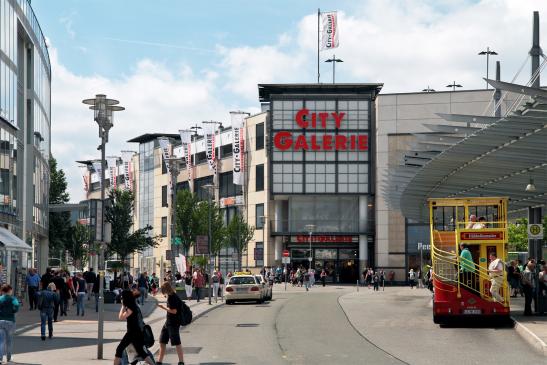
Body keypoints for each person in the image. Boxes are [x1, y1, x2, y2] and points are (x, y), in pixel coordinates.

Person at [113, 290, 155, 365]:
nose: (121, 299)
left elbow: (121, 317)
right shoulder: (134, 305)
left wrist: (122, 306)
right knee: (141, 352)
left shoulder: (131, 308)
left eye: (122, 298)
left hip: (132, 333)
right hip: (137, 332)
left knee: (119, 349)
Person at [157, 282, 185, 365]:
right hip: (168, 322)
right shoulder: (172, 296)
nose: (162, 292)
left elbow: (174, 311)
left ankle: (181, 362)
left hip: (174, 323)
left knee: (177, 342)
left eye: (163, 290)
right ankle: (159, 361)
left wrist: (163, 308)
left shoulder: (172, 297)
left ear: (166, 289)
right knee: (162, 341)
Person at [0, 284, 19, 363]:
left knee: (1, 341)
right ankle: (9, 358)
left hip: (0, 321)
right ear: (9, 290)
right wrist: (13, 311)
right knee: (9, 341)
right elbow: (16, 305)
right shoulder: (13, 298)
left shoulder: (0, 298)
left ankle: (0, 358)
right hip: (10, 321)